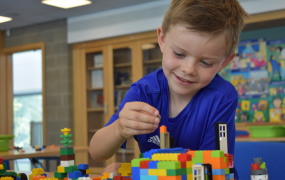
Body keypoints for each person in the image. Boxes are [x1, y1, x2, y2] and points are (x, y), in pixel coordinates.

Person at [89, 0, 248, 178]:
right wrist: (119, 128)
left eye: (205, 62)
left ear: (224, 62)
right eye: (179, 54)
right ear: (162, 40)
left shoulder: (221, 97)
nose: (188, 69)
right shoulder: (143, 92)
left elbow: (210, 170)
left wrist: (136, 172)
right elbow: (97, 152)